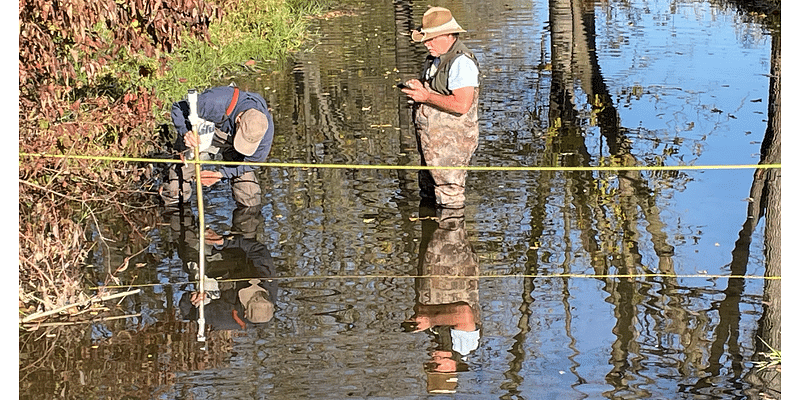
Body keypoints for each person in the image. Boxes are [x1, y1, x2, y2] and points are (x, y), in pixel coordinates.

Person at [401, 7, 480, 209]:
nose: (427, 44)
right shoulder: (436, 58)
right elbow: (438, 91)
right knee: (428, 190)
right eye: (426, 39)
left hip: (452, 144)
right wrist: (420, 87)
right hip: (432, 144)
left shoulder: (461, 62)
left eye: (431, 39)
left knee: (450, 197)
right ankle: (429, 232)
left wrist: (426, 96)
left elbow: (462, 105)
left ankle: (451, 235)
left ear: (448, 35)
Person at [161, 85, 274, 207]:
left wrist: (220, 174)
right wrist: (185, 132)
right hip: (198, 137)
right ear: (239, 119)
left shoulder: (263, 131)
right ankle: (174, 209)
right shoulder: (213, 102)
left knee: (249, 194)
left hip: (231, 146)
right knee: (175, 190)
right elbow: (177, 108)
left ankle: (248, 219)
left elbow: (252, 162)